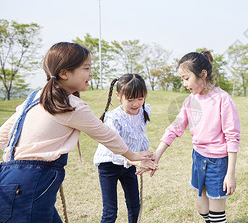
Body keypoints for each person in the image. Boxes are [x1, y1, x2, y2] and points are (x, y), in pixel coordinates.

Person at [0, 42, 157, 222]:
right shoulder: (70, 105)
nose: (91, 73)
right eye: (86, 68)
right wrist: (132, 155)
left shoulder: (35, 97)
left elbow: (4, 136)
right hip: (34, 182)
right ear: (64, 73)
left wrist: (21, 162)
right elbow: (106, 135)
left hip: (9, 177)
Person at [152, 51, 241, 223]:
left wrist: (230, 173)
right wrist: (156, 156)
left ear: (203, 74)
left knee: (216, 216)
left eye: (186, 78)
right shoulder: (190, 101)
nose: (184, 84)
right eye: (182, 79)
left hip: (218, 163)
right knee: (201, 208)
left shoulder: (223, 99)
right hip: (198, 159)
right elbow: (174, 129)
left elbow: (232, 138)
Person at [93, 74, 151, 223]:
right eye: (130, 99)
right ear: (118, 96)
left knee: (134, 205)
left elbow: (140, 135)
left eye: (140, 98)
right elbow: (113, 149)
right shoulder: (114, 118)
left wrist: (144, 156)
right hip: (109, 165)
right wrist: (136, 160)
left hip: (130, 164)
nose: (136, 104)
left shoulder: (143, 112)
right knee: (110, 211)